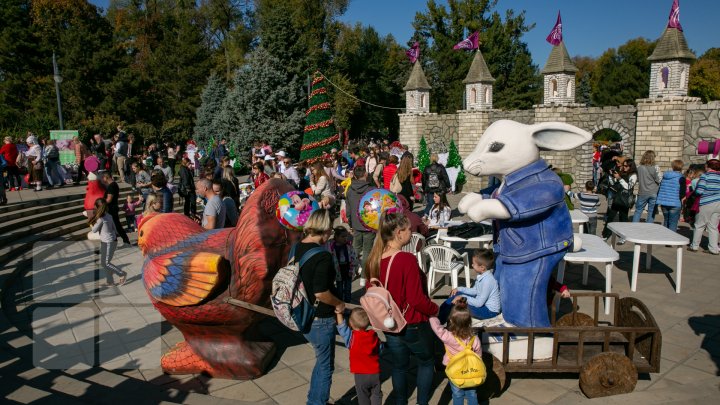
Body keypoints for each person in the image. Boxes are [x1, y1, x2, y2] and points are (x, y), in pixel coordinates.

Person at [365, 211, 438, 405]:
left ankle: (400, 402)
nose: (411, 233)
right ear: (398, 233)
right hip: (411, 322)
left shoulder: (374, 258)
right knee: (426, 362)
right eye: (408, 230)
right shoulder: (406, 259)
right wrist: (435, 309)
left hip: (389, 324)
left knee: (399, 366)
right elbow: (416, 300)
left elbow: (370, 292)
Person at [297, 209, 344, 405]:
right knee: (326, 367)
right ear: (323, 230)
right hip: (320, 317)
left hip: (301, 312)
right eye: (330, 230)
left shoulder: (297, 247)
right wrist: (339, 304)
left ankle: (313, 400)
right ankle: (318, 402)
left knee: (320, 361)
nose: (330, 234)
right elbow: (320, 292)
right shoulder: (322, 256)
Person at [429, 299, 482, 405]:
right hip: (471, 371)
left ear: (451, 321)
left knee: (457, 394)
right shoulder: (474, 339)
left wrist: (432, 315)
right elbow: (479, 356)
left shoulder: (448, 337)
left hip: (455, 371)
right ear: (469, 322)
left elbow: (437, 328)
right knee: (472, 394)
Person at [336, 308, 382, 405]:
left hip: (361, 374)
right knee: (376, 394)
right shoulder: (373, 336)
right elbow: (380, 348)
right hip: (375, 373)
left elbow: (342, 328)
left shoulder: (352, 337)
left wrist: (339, 313)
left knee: (363, 396)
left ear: (351, 323)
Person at [442, 248, 501, 322]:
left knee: (457, 304)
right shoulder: (482, 275)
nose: (472, 265)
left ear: (482, 267)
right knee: (456, 294)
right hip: (483, 306)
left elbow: (479, 303)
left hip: (489, 312)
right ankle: (438, 316)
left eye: (474, 264)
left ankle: (439, 321)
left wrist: (462, 297)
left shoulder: (488, 281)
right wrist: (459, 289)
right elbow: (474, 291)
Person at [345, 165, 376, 287]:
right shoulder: (371, 189)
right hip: (369, 223)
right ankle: (363, 276)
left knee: (355, 249)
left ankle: (352, 272)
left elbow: (348, 209)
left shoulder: (350, 189)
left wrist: (350, 222)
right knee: (367, 251)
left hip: (356, 223)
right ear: (365, 174)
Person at [89, 198, 128, 286]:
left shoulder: (101, 219)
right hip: (109, 241)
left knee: (106, 263)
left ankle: (122, 274)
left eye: (95, 206)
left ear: (97, 207)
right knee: (104, 263)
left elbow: (94, 230)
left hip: (109, 242)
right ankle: (110, 281)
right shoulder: (109, 215)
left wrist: (90, 223)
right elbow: (115, 229)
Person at [688, 159, 720, 255]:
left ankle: (694, 246)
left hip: (706, 203)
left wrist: (695, 192)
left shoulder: (705, 176)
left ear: (708, 166)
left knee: (699, 225)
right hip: (718, 203)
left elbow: (700, 191)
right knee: (713, 227)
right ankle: (713, 249)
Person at [602, 159, 638, 243]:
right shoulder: (622, 172)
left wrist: (619, 178)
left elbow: (628, 187)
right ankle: (605, 235)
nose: (624, 167)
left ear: (630, 166)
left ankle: (623, 236)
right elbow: (614, 183)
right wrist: (612, 176)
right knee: (610, 216)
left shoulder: (633, 175)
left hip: (625, 199)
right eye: (623, 165)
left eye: (626, 166)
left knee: (623, 218)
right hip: (617, 197)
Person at [325, 226, 358, 303]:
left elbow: (353, 257)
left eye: (346, 236)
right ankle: (339, 301)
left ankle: (348, 301)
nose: (345, 238)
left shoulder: (349, 246)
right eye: (342, 236)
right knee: (339, 287)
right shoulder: (331, 246)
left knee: (348, 287)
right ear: (336, 236)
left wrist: (353, 268)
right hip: (338, 269)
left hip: (347, 268)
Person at [100, 172, 132, 245]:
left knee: (116, 226)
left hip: (111, 209)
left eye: (103, 178)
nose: (103, 180)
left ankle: (125, 241)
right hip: (113, 207)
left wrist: (101, 203)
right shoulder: (114, 185)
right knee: (114, 226)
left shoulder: (111, 186)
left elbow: (109, 199)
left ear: (106, 177)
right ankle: (119, 241)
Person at [656, 159, 686, 232]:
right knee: (673, 223)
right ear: (681, 167)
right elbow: (682, 193)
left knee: (666, 221)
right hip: (675, 203)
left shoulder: (665, 176)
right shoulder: (681, 178)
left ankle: (665, 238)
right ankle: (671, 241)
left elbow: (660, 188)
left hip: (664, 202)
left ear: (673, 166)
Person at [633, 150, 661, 224]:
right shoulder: (655, 167)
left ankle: (633, 227)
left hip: (642, 192)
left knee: (638, 210)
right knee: (651, 211)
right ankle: (648, 227)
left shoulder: (639, 167)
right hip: (653, 192)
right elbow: (659, 180)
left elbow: (637, 179)